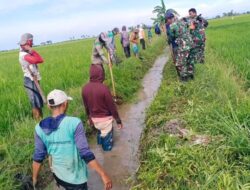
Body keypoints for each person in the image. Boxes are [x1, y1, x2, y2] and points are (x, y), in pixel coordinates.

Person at [32, 89, 112, 190]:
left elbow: (38, 156)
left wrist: (34, 178)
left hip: (58, 175)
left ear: (49, 106)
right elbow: (85, 153)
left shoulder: (39, 128)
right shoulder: (74, 123)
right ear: (65, 104)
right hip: (77, 179)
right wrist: (103, 174)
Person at [82, 65, 123, 151]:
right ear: (101, 75)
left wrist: (89, 118)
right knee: (107, 148)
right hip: (105, 121)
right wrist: (118, 120)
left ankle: (100, 144)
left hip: (94, 120)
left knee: (100, 136)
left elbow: (86, 107)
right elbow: (112, 107)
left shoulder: (85, 89)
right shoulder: (104, 89)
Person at [19, 33, 44, 120]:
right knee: (35, 103)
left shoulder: (27, 53)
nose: (32, 43)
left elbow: (39, 60)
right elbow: (40, 60)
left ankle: (41, 120)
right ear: (28, 42)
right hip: (30, 80)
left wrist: (30, 50)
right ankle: (37, 122)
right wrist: (31, 50)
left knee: (38, 103)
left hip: (34, 79)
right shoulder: (23, 55)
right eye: (31, 41)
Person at [166, 12, 194, 82]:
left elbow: (171, 36)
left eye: (167, 20)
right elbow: (190, 27)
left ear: (170, 19)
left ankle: (184, 78)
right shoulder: (183, 22)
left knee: (180, 62)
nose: (167, 22)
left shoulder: (172, 25)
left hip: (183, 45)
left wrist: (169, 39)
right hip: (190, 43)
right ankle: (191, 75)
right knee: (189, 60)